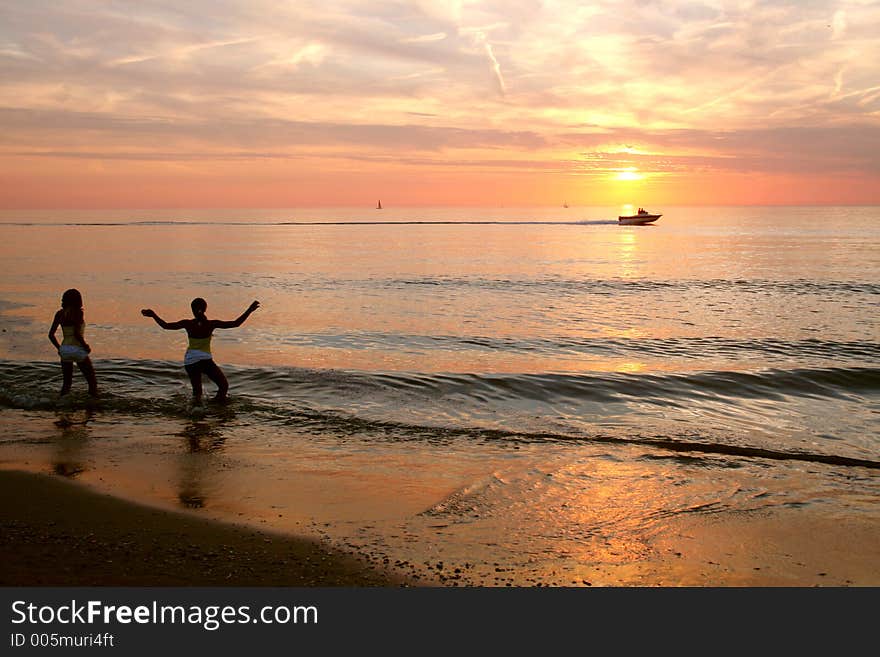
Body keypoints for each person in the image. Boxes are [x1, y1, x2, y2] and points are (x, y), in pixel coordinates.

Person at [141, 298, 260, 404]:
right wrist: (250, 310)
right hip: (205, 360)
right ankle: (215, 406)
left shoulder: (187, 323)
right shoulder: (210, 324)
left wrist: (153, 315)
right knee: (223, 386)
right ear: (205, 309)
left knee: (197, 393)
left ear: (192, 310)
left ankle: (196, 415)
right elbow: (236, 323)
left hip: (190, 361)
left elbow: (165, 326)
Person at [48, 288, 99, 397]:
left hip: (65, 350)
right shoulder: (78, 313)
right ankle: (93, 406)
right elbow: (76, 333)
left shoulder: (59, 314)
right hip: (78, 349)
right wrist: (86, 346)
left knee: (66, 384)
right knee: (92, 382)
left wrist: (59, 348)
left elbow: (51, 335)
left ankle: (61, 407)